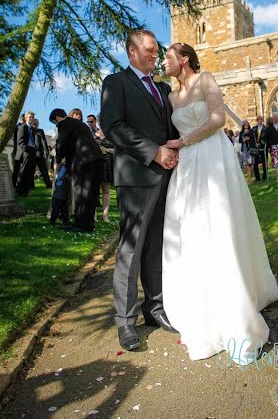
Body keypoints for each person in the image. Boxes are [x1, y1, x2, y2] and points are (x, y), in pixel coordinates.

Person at [162, 43, 278, 365]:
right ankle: (202, 301)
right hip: (187, 166)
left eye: (168, 57)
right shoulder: (171, 97)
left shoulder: (206, 80)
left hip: (213, 157)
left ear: (184, 60)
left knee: (221, 223)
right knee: (193, 229)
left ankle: (237, 299)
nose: (164, 62)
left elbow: (216, 119)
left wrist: (182, 141)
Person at [100, 29, 179, 352]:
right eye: (148, 50)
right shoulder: (116, 83)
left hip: (166, 177)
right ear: (132, 52)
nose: (154, 55)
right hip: (136, 177)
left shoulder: (162, 88)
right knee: (130, 250)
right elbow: (114, 126)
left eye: (156, 50)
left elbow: (171, 129)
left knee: (156, 247)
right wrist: (153, 151)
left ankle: (154, 308)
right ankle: (125, 321)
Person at [49, 108, 104, 233]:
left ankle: (80, 225)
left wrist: (58, 161)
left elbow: (62, 143)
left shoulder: (64, 124)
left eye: (55, 123)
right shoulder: (81, 124)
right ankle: (88, 224)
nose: (57, 126)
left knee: (81, 193)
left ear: (57, 118)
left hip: (84, 161)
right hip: (97, 160)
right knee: (91, 194)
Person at [94, 120, 114, 223]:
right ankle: (93, 215)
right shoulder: (93, 134)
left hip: (108, 165)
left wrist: (107, 150)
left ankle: (105, 215)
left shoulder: (112, 134)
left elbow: (118, 149)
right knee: (95, 191)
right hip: (96, 164)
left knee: (106, 191)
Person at [15, 111, 37, 195]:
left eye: (32, 117)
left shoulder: (32, 129)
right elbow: (20, 141)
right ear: (25, 117)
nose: (31, 118)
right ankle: (20, 191)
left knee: (29, 172)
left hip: (32, 151)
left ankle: (25, 191)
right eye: (30, 117)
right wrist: (25, 151)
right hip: (25, 152)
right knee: (23, 171)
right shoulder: (22, 127)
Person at [32, 118, 52, 188]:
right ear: (37, 124)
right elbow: (44, 142)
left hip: (32, 153)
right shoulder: (40, 131)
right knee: (44, 171)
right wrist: (47, 152)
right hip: (38, 153)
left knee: (31, 171)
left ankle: (31, 185)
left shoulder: (30, 130)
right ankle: (48, 184)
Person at [265, 117, 278, 182]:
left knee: (276, 163)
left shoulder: (268, 129)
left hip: (274, 146)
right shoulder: (274, 128)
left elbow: (265, 137)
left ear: (267, 122)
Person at [12, 113, 26, 186]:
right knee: (17, 168)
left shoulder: (26, 127)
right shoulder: (18, 126)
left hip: (22, 150)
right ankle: (14, 183)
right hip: (18, 150)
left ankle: (19, 183)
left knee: (21, 168)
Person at [252, 115, 267, 181]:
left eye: (261, 119)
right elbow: (252, 138)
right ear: (257, 120)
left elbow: (267, 138)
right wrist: (255, 144)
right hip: (256, 147)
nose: (260, 121)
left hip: (263, 147)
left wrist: (262, 143)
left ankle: (265, 176)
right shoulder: (254, 128)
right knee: (255, 163)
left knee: (264, 162)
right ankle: (257, 177)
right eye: (258, 119)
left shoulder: (266, 128)